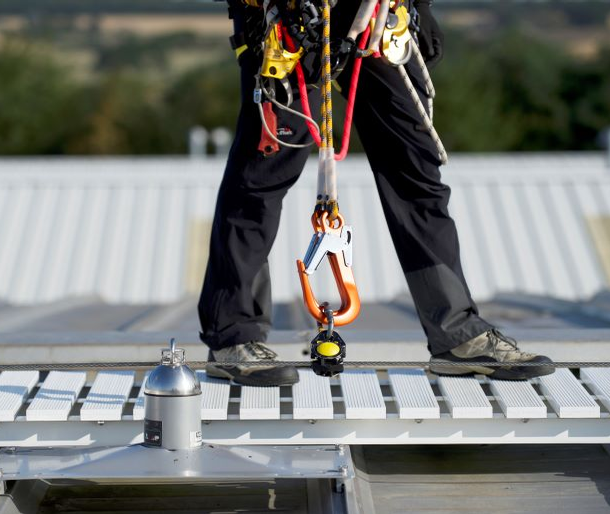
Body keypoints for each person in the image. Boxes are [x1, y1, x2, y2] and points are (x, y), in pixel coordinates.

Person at [199, 0, 554, 386]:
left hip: (377, 14)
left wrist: (420, 4)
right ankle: (233, 336)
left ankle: (458, 336)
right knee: (262, 174)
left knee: (416, 172)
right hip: (290, 16)